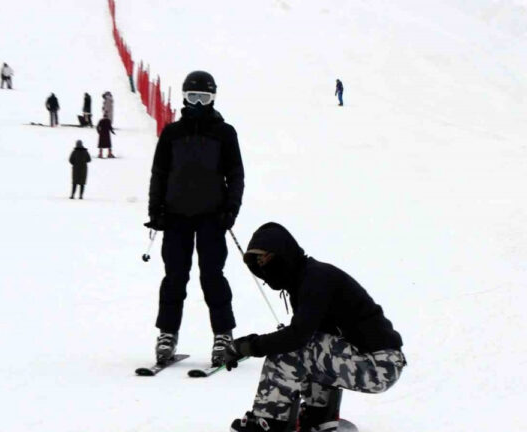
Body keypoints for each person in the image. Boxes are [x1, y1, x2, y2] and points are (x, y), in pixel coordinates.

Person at [225, 223, 406, 432]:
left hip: (379, 366)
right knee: (308, 345)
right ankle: (319, 414)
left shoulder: (316, 278)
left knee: (291, 348)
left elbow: (298, 338)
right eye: (258, 261)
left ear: (284, 253)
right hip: (375, 363)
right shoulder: (304, 281)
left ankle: (271, 421)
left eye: (266, 258)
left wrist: (247, 347)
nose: (263, 265)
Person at [145, 71, 245, 367]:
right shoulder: (172, 133)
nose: (198, 104)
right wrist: (155, 210)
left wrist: (231, 209)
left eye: (204, 98)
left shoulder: (224, 133)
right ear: (184, 98)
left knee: (212, 276)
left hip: (212, 217)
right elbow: (159, 174)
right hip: (176, 216)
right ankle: (167, 333)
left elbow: (236, 175)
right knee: (175, 277)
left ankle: (223, 335)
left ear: (213, 98)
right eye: (192, 98)